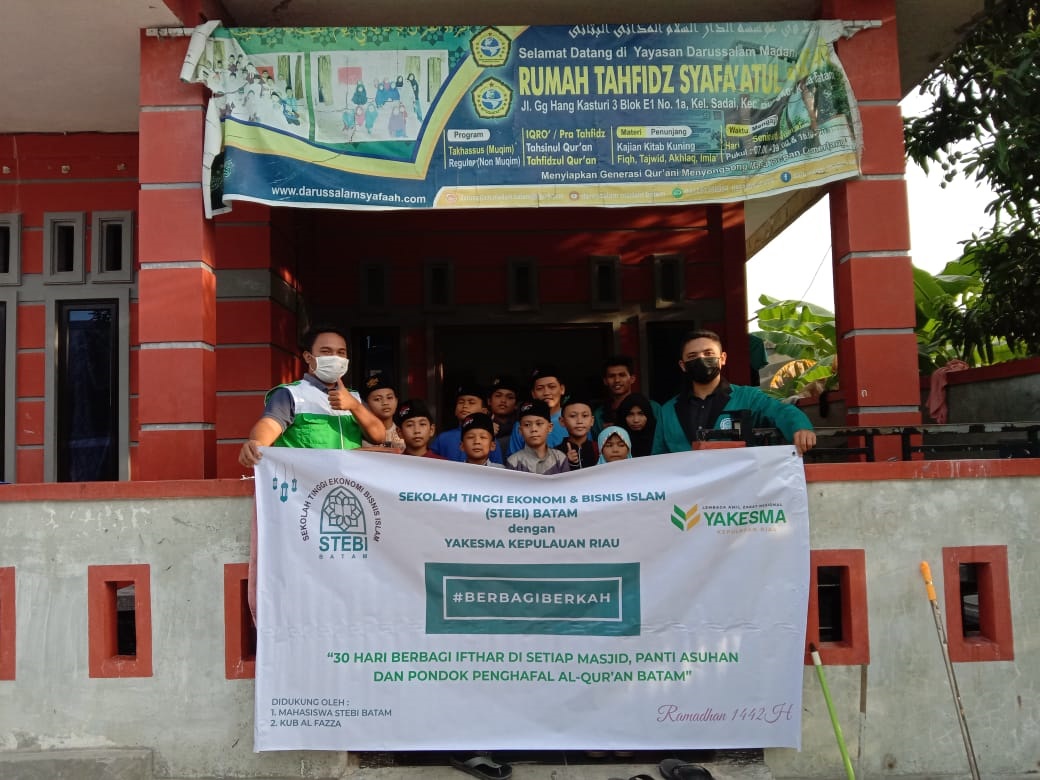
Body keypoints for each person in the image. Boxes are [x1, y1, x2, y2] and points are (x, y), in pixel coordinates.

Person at [238, 325, 386, 623]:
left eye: (341, 353)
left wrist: (354, 406)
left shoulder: (354, 397)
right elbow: (268, 426)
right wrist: (255, 443)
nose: (335, 358)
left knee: (349, 579)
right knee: (308, 579)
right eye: (326, 352)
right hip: (304, 509)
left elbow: (378, 434)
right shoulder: (292, 395)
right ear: (309, 357)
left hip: (347, 508)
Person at [652, 329, 817, 455]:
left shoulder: (748, 397)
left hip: (736, 488)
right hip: (687, 489)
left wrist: (800, 427)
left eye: (708, 353)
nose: (701, 359)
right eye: (692, 356)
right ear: (683, 365)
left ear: (722, 358)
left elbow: (781, 410)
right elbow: (658, 458)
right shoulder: (668, 411)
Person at [431, 383, 504, 463]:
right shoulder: (443, 438)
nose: (465, 406)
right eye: (461, 402)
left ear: (484, 411)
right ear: (455, 410)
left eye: (471, 402)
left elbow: (496, 468)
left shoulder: (489, 441)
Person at [507, 366, 568, 456]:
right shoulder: (522, 424)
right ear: (533, 394)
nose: (546, 392)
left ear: (562, 389)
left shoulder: (574, 419)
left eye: (552, 387)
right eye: (540, 388)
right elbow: (513, 461)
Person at [506, 400, 570, 474]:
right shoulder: (514, 462)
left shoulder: (560, 459)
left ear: (550, 427)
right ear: (520, 430)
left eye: (539, 423)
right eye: (527, 425)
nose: (534, 429)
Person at [361, 375, 405, 451]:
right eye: (377, 399)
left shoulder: (404, 433)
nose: (385, 403)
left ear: (396, 401)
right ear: (366, 404)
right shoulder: (359, 434)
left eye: (389, 397)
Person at [556, 397, 598, 469]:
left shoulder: (599, 449)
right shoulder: (556, 453)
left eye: (584, 416)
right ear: (562, 421)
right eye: (573, 416)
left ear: (592, 421)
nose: (579, 421)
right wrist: (567, 462)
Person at [616, 393, 657, 458]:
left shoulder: (658, 437)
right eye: (630, 414)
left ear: (648, 415)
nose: (636, 420)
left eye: (641, 414)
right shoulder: (615, 438)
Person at [487, 375, 520, 455]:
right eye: (498, 396)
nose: (503, 400)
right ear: (489, 401)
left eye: (510, 397)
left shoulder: (522, 428)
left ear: (516, 405)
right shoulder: (479, 426)